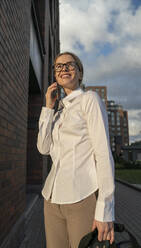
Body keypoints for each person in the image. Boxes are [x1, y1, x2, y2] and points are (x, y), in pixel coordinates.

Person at [37, 51, 115, 248]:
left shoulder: (90, 99)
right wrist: (48, 107)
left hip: (81, 198)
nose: (64, 69)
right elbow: (43, 148)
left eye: (70, 65)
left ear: (80, 73)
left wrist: (105, 210)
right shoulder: (58, 111)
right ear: (55, 75)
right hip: (51, 199)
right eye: (59, 66)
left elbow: (103, 154)